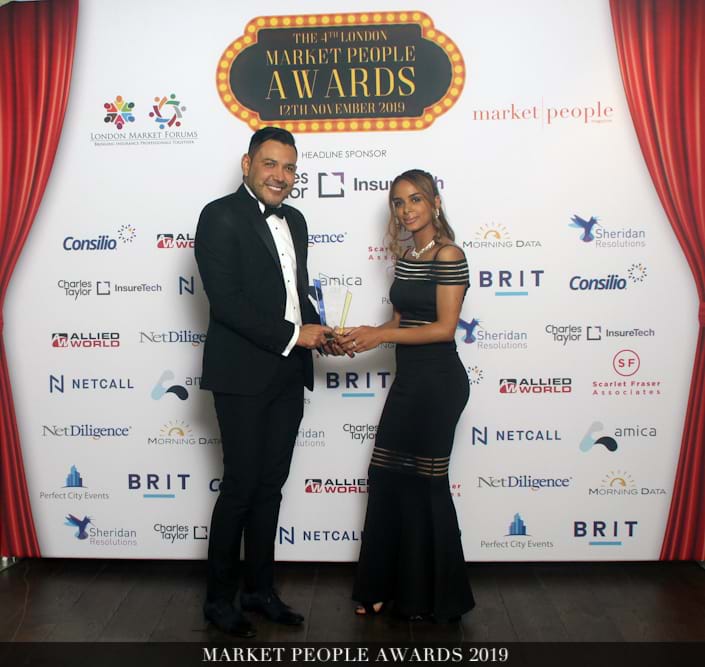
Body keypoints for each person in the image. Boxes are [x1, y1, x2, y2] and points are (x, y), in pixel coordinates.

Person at [195, 127, 332, 638]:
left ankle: (259, 590)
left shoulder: (295, 220)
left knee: (271, 487)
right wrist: (297, 335)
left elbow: (294, 295)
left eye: (289, 167)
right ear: (247, 163)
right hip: (241, 373)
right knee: (240, 487)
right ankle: (218, 600)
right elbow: (227, 303)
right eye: (270, 163)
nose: (280, 175)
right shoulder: (219, 216)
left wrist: (320, 333)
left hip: (288, 371)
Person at [340, 169, 475, 622]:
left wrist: (380, 337)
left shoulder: (449, 254)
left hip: (439, 383)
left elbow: (444, 329)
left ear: (435, 202)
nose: (406, 209)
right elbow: (399, 324)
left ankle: (436, 598)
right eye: (398, 202)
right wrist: (363, 334)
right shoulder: (407, 258)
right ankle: (382, 586)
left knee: (426, 483)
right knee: (386, 477)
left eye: (415, 199)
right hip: (410, 381)